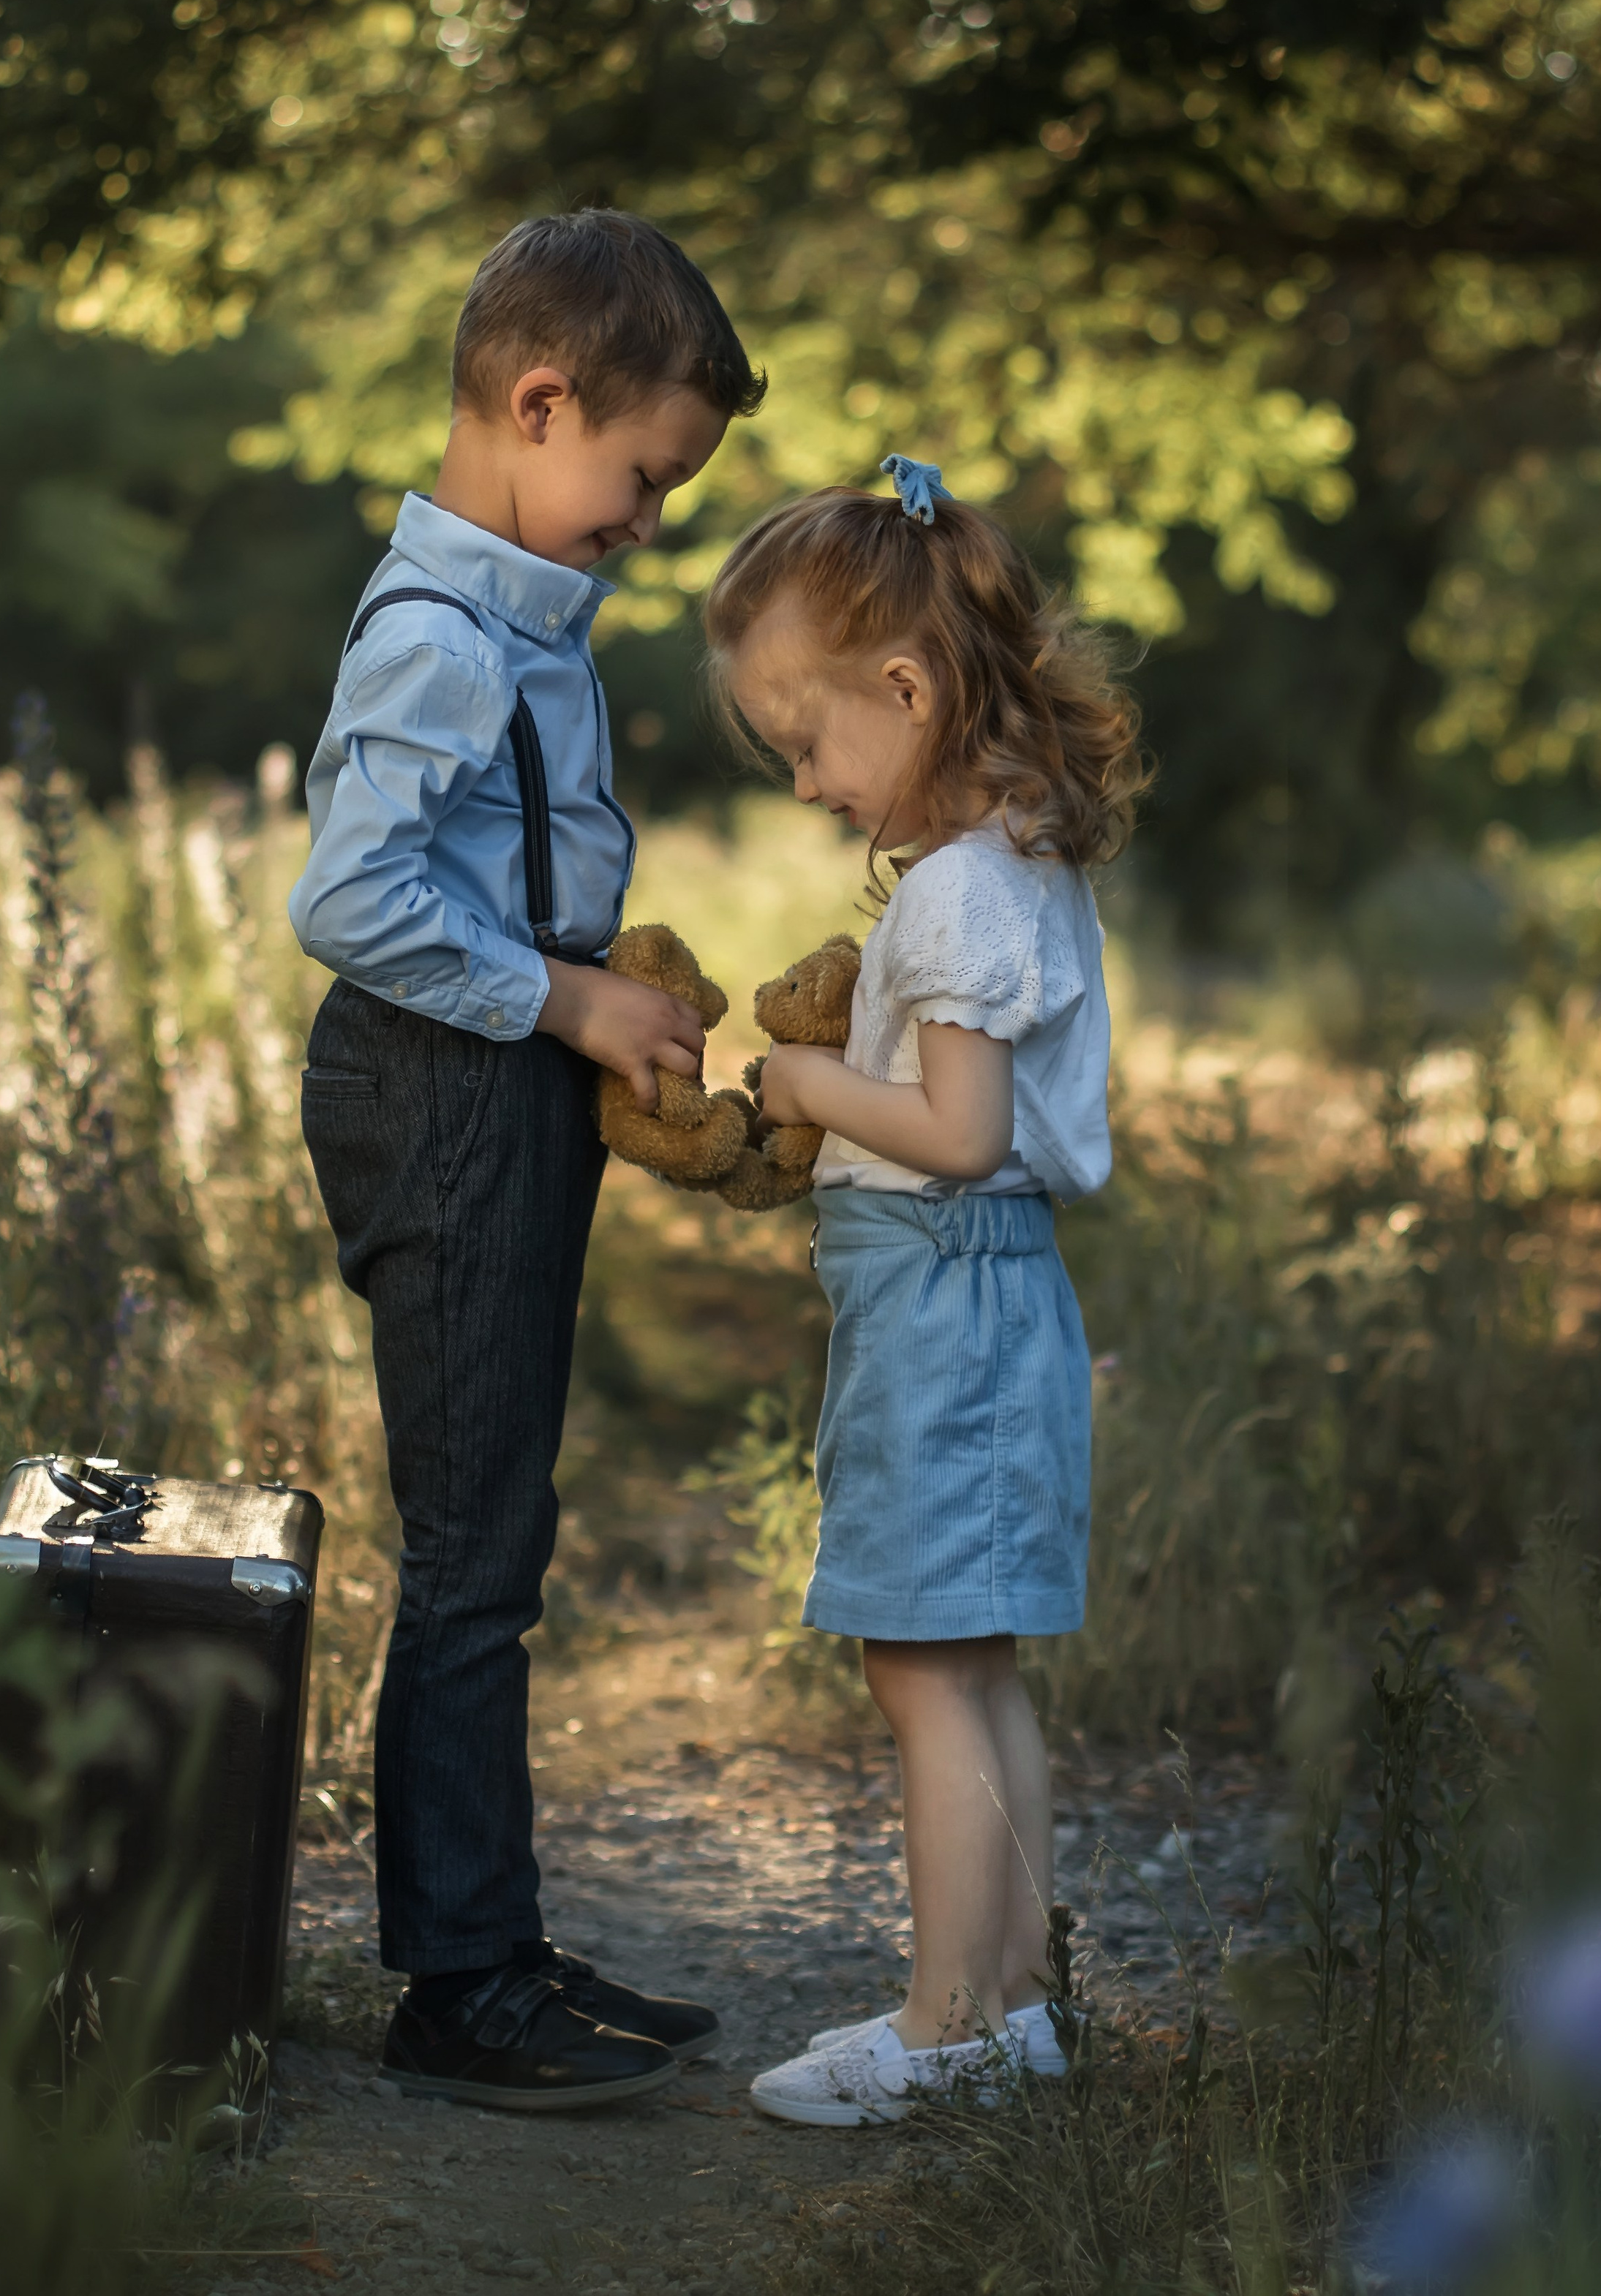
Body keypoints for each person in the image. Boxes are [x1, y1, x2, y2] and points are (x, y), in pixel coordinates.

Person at [291, 208, 764, 2112]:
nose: (651, 518)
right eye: (645, 476)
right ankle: (459, 1983)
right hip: (444, 1088)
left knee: (506, 1534)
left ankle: (493, 1930)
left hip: (502, 1080)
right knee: (477, 1550)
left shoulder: (522, 622)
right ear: (539, 401)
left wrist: (605, 996)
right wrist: (568, 1010)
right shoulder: (440, 638)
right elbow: (354, 896)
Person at [701, 455, 1148, 2128]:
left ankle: (947, 2018)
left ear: (905, 688)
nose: (806, 783)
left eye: (807, 741)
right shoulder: (1015, 858)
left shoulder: (963, 887)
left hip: (950, 1309)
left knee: (922, 1664)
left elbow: (957, 1134)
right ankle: (1010, 2007)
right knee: (967, 1662)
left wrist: (809, 1089)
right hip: (979, 1303)